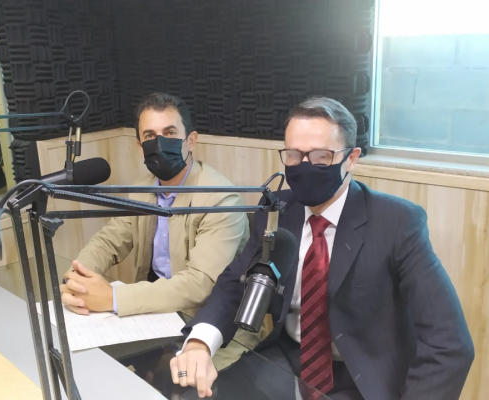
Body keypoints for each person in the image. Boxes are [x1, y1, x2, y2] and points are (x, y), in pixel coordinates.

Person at [170, 97, 474, 400]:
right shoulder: (277, 211)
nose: (305, 166)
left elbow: (450, 344)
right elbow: (234, 284)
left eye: (321, 156)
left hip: (363, 377)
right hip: (286, 361)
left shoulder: (396, 222)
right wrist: (199, 343)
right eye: (294, 155)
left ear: (351, 158)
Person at [59, 92, 249, 317]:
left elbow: (200, 283)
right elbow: (108, 242)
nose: (159, 143)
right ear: (140, 147)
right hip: (154, 312)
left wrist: (113, 298)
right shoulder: (142, 190)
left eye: (170, 133)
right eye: (150, 136)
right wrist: (77, 280)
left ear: (191, 141)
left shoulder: (221, 199)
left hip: (207, 320)